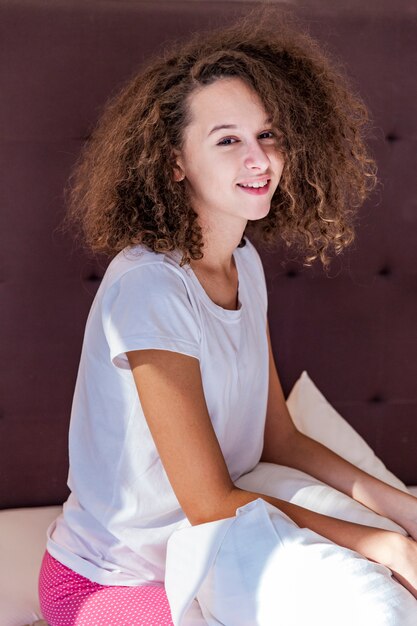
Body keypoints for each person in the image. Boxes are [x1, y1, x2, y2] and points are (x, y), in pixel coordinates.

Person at [38, 8, 417, 626]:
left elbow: (279, 439)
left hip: (219, 552)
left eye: (268, 135)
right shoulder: (148, 289)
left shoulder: (245, 263)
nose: (259, 157)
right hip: (111, 581)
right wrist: (380, 544)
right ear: (174, 162)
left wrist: (403, 513)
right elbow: (212, 500)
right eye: (228, 139)